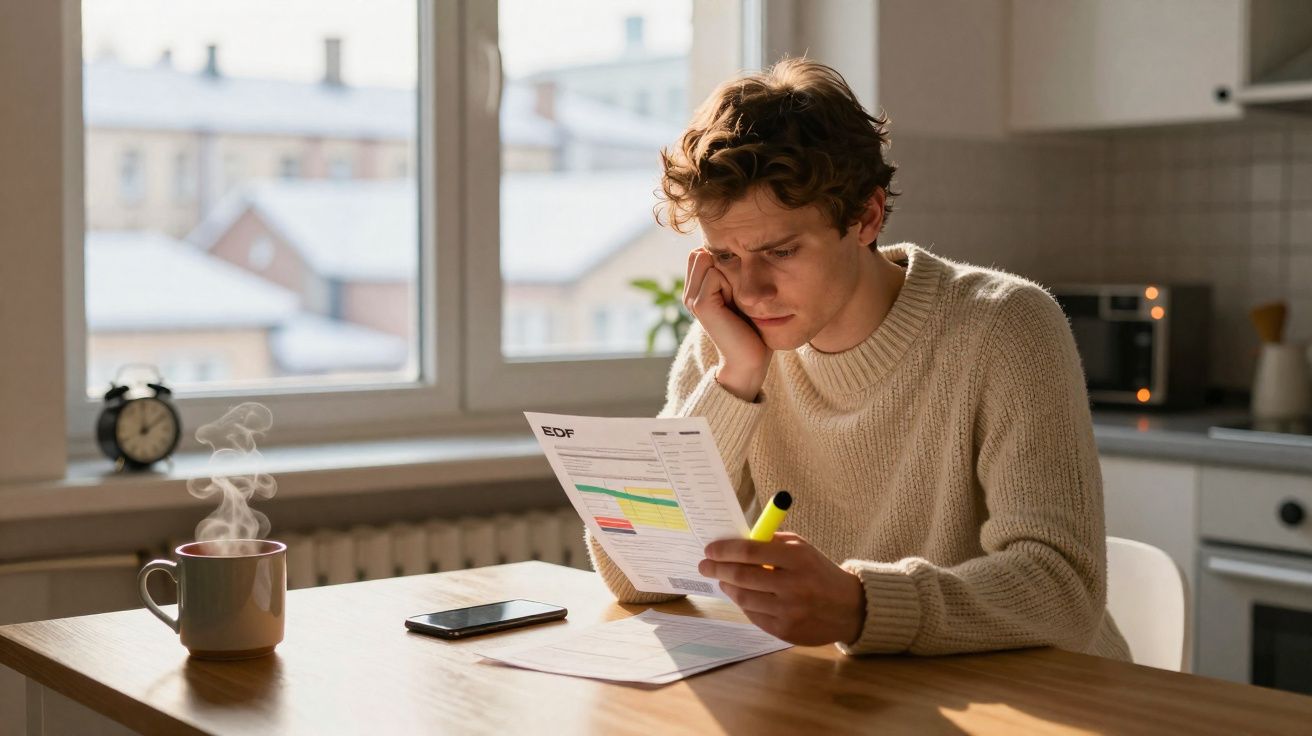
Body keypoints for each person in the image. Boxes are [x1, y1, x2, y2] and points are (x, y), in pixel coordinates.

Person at [585, 57, 1131, 660]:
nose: (752, 291)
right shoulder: (731, 336)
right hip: (863, 689)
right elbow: (635, 576)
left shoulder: (1004, 324)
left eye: (781, 251)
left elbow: (1064, 590)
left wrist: (862, 605)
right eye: (728, 257)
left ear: (866, 217)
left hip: (1041, 690)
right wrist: (735, 378)